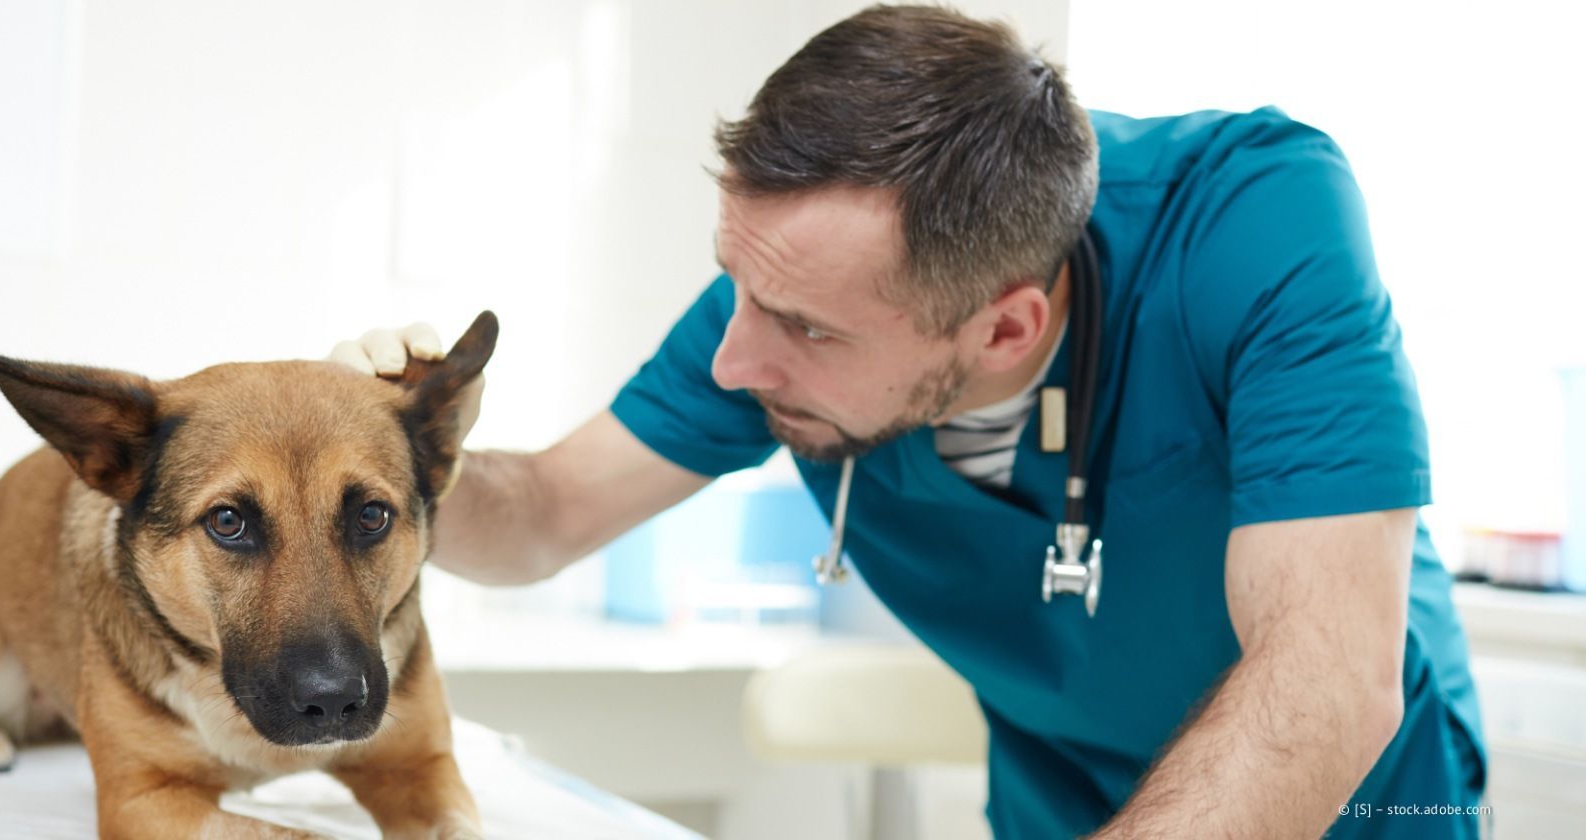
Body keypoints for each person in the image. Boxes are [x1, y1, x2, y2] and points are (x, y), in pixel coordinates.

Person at [330, 5, 1484, 837]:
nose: (735, 359)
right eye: (736, 284)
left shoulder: (1253, 223)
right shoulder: (787, 290)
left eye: (807, 331)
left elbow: (1329, 679)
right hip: (1062, 804)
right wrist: (401, 459)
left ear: (1003, 329)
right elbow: (543, 519)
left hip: (1356, 804)